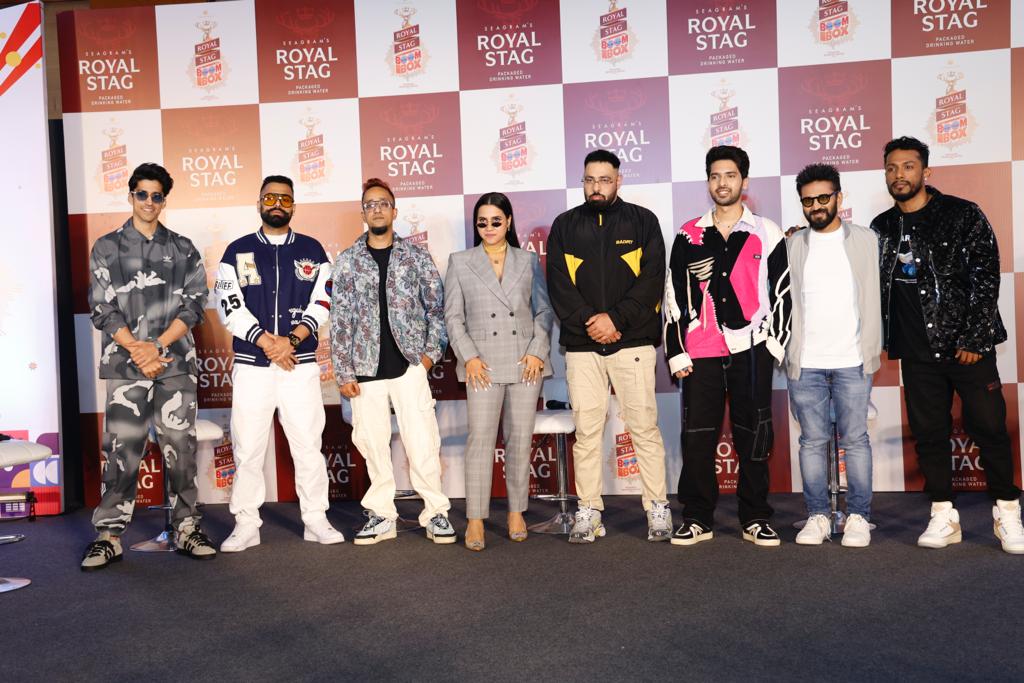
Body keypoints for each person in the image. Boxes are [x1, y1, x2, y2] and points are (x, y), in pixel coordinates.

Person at [872, 136, 1024, 553]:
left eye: (908, 166)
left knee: (990, 428)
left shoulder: (962, 214)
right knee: (929, 435)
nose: (899, 175)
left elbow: (986, 276)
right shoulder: (881, 227)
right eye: (891, 168)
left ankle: (1008, 512)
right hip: (915, 350)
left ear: (926, 171)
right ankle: (943, 514)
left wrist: (975, 336)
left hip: (966, 348)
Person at [81, 163, 213, 570]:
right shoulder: (106, 247)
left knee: (181, 451)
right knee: (122, 452)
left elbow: (194, 305)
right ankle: (109, 536)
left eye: (157, 196)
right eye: (142, 194)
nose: (149, 202)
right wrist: (138, 350)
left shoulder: (184, 248)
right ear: (131, 196)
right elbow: (101, 308)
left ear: (164, 200)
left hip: (174, 365)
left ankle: (186, 528)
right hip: (126, 366)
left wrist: (156, 346)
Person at [664, 145, 791, 547]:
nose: (722, 183)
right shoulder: (688, 233)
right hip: (699, 352)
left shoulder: (766, 231)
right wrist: (676, 350)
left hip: (751, 349)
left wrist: (774, 345)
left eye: (730, 175)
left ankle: (755, 517)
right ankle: (697, 517)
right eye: (715, 176)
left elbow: (783, 291)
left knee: (754, 435)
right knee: (697, 438)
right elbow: (673, 294)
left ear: (744, 181)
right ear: (708, 182)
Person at [546, 149, 671, 544]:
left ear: (618, 180)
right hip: (582, 347)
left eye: (603, 179)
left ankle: (657, 507)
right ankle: (588, 510)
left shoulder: (643, 221)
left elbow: (652, 280)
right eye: (589, 180)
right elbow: (558, 286)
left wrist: (615, 320)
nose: (595, 187)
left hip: (632, 344)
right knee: (586, 433)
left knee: (644, 429)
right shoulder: (564, 225)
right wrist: (593, 322)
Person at [214, 175, 344, 552]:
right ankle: (246, 524)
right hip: (252, 365)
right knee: (247, 448)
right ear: (259, 203)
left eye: (284, 199)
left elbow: (324, 301)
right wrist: (266, 342)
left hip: (298, 365)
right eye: (269, 198)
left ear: (293, 206)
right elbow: (229, 305)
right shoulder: (236, 250)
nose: (276, 204)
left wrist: (291, 341)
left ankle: (315, 518)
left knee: (308, 445)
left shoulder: (312, 249)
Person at [329, 178, 455, 545]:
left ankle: (436, 512)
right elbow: (340, 320)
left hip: (409, 365)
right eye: (370, 204)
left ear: (394, 211)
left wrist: (429, 357)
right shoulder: (348, 261)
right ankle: (382, 515)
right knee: (372, 445)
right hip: (364, 370)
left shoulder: (416, 257)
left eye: (383, 203)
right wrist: (344, 371)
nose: (377, 209)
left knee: (423, 443)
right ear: (363, 213)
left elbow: (436, 310)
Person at [444, 192, 553, 551]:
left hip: (524, 362)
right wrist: (469, 357)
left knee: (520, 439)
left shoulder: (528, 260)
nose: (489, 228)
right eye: (482, 222)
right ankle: (475, 518)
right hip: (482, 365)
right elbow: (452, 317)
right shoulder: (460, 261)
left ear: (508, 222)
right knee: (480, 441)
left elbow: (543, 310)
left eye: (496, 221)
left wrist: (537, 351)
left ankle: (516, 512)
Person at [785, 164, 880, 547]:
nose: (816, 206)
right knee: (811, 442)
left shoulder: (867, 240)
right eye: (808, 200)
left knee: (855, 440)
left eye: (824, 197)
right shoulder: (792, 245)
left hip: (853, 360)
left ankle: (858, 516)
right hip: (805, 362)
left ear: (839, 197)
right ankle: (818, 516)